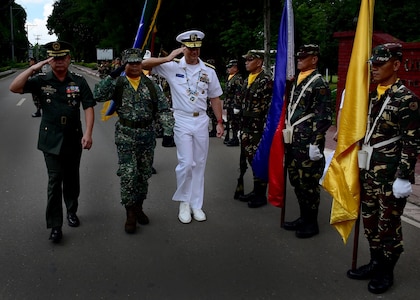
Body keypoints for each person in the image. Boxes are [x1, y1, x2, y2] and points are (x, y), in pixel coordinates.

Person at [346, 43, 420, 294]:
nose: (374, 69)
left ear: (397, 65)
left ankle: (387, 270)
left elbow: (412, 141)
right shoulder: (370, 95)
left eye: (380, 64)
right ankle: (375, 261)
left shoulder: (406, 99)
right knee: (369, 220)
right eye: (373, 64)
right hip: (368, 171)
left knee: (387, 224)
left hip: (389, 175)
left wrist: (404, 176)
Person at [9, 41, 95, 243]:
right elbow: (14, 88)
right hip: (51, 139)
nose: (58, 62)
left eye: (62, 58)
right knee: (55, 181)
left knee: (72, 179)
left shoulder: (79, 81)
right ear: (49, 60)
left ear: (68, 59)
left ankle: (71, 211)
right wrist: (34, 67)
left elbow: (89, 106)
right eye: (54, 59)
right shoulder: (41, 80)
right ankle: (55, 225)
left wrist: (88, 133)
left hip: (73, 137)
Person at [142, 29, 224, 224]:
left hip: (201, 119)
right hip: (182, 119)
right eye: (189, 49)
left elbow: (215, 97)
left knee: (199, 164)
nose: (194, 52)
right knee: (186, 163)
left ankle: (197, 204)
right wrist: (169, 57)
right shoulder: (172, 66)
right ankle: (184, 202)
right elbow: (143, 64)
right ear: (183, 48)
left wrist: (220, 122)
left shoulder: (208, 71)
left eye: (197, 49)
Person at [94, 48, 174, 234]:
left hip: (147, 135)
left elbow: (163, 108)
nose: (136, 66)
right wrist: (112, 76)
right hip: (126, 135)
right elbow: (98, 95)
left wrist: (168, 131)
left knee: (143, 175)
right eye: (131, 63)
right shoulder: (118, 83)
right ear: (125, 64)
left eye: (138, 62)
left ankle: (139, 206)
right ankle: (130, 213)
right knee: (129, 174)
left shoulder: (151, 85)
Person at [282, 44, 332, 238]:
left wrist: (316, 143)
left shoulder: (318, 83)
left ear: (314, 59)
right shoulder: (298, 81)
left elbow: (323, 116)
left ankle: (311, 222)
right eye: (298, 57)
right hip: (294, 139)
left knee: (309, 183)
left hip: (307, 142)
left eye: (304, 57)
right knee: (296, 180)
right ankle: (303, 217)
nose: (299, 59)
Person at [234, 50, 273, 208]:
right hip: (246, 127)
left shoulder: (266, 80)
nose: (246, 62)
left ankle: (260, 194)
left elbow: (270, 107)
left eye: (250, 60)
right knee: (249, 159)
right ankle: (256, 190)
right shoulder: (247, 80)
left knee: (258, 160)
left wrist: (267, 130)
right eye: (246, 59)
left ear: (259, 62)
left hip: (259, 128)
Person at [223, 59, 243, 146]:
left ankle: (235, 139)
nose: (228, 69)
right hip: (229, 103)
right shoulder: (230, 77)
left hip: (234, 104)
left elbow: (238, 93)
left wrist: (237, 105)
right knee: (229, 121)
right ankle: (229, 137)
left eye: (230, 67)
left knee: (235, 123)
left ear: (235, 68)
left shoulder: (238, 78)